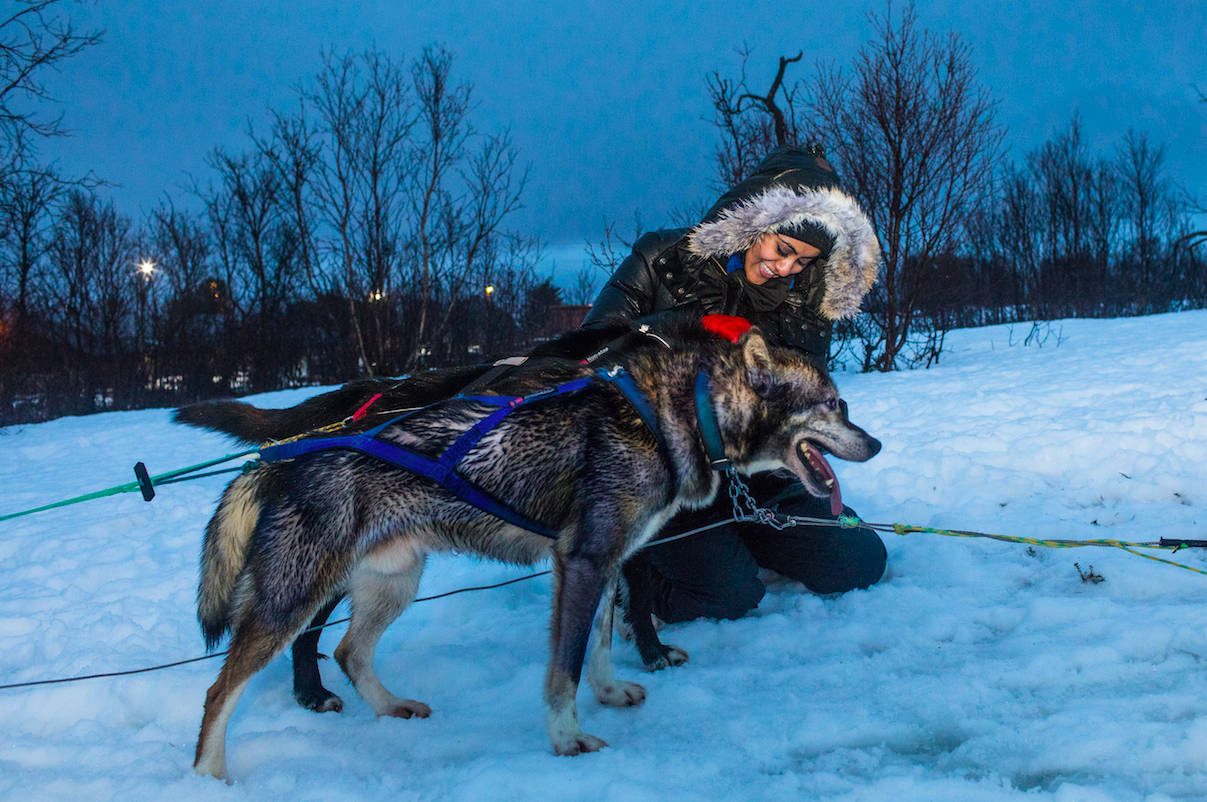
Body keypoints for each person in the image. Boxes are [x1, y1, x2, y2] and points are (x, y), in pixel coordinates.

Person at [581, 144, 886, 624]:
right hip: (668, 477)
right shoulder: (662, 258)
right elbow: (589, 360)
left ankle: (739, 538)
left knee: (860, 562)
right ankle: (633, 579)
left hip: (755, 475)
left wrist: (817, 447)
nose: (786, 269)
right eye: (783, 249)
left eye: (802, 261)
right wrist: (685, 329)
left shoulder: (804, 304)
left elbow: (798, 399)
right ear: (754, 223)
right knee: (728, 597)